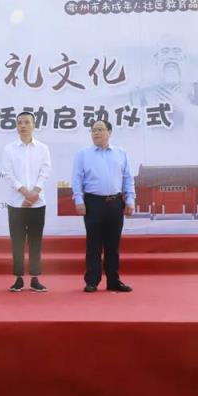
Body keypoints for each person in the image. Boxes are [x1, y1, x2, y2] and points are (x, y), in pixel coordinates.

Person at [71, 120, 135, 293]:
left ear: (109, 132)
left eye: (100, 130)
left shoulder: (121, 153)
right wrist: (78, 200)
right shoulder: (83, 154)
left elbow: (128, 178)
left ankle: (113, 281)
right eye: (93, 130)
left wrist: (130, 199)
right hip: (93, 203)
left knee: (113, 245)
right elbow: (76, 179)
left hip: (115, 202)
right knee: (94, 244)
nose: (96, 133)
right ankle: (92, 281)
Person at [2, 112, 52, 293]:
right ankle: (18, 278)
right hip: (16, 203)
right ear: (16, 126)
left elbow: (45, 171)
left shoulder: (42, 148)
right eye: (20, 123)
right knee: (17, 242)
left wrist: (34, 193)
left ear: (33, 125)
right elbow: (8, 174)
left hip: (37, 203)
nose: (23, 126)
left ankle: (35, 278)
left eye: (27, 122)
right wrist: (25, 193)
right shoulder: (9, 149)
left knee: (35, 241)